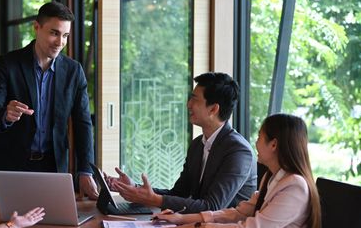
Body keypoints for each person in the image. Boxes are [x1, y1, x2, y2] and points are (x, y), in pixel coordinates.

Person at [156, 113, 323, 228]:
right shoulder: (271, 177)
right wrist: (182, 219)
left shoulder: (295, 186)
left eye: (259, 137)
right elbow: (239, 213)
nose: (255, 142)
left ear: (273, 145)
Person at [0, 1, 98, 199]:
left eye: (65, 35)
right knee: (13, 227)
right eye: (54, 33)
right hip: (11, 165)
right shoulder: (8, 64)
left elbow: (83, 123)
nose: (60, 42)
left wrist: (85, 171)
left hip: (53, 167)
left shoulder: (73, 71)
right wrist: (5, 115)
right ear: (36, 27)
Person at [107, 72, 256, 213]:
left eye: (194, 99)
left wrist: (154, 200)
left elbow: (212, 207)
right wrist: (135, 188)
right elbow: (179, 193)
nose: (188, 104)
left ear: (213, 109)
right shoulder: (198, 144)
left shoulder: (238, 151)